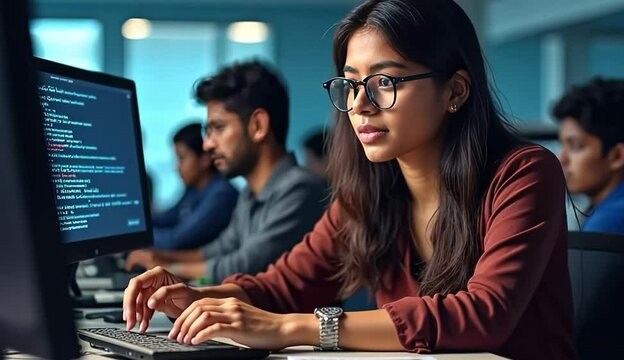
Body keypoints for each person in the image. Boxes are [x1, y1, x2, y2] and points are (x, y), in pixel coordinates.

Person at [122, 1, 575, 359]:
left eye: (385, 82)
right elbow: (285, 285)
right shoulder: (370, 190)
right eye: (351, 83)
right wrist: (200, 297)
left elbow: (483, 314)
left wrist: (293, 327)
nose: (360, 104)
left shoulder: (524, 173)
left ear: (454, 91)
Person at [125, 61, 328, 283]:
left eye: (218, 128)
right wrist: (160, 257)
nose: (207, 145)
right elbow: (220, 249)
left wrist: (169, 267)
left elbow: (245, 265)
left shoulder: (300, 189)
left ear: (258, 126)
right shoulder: (249, 193)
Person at [553, 77, 624, 236]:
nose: (562, 158)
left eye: (575, 146)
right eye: (562, 146)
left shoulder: (613, 220)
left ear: (617, 157)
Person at [151, 122, 238, 250]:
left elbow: (175, 241)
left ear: (204, 159)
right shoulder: (192, 190)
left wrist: (135, 237)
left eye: (181, 159)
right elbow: (166, 219)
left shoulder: (221, 195)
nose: (176, 167)